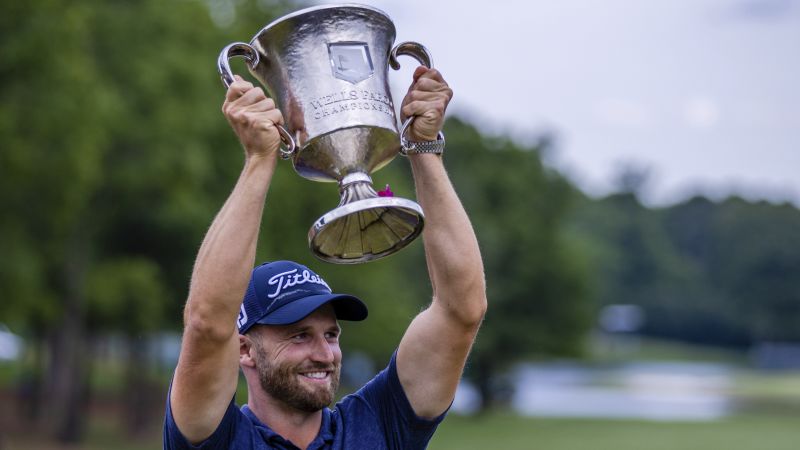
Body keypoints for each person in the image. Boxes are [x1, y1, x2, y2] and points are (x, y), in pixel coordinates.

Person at [163, 65, 487, 450]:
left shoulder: (378, 424)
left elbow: (461, 310)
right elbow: (207, 323)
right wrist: (260, 158)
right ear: (245, 349)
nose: (325, 354)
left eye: (330, 334)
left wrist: (423, 146)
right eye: (299, 335)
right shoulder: (217, 437)